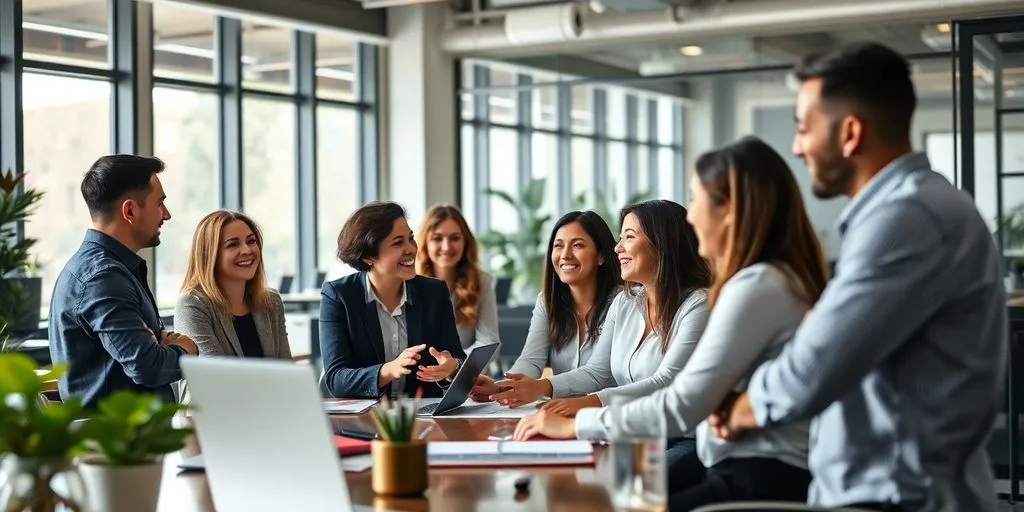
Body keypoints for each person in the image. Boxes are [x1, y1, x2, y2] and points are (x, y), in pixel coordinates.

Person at [710, 42, 1006, 511]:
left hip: (899, 499)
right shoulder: (908, 210)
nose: (796, 147)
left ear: (850, 133)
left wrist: (742, 408)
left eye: (804, 128)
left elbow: (812, 367)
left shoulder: (907, 218)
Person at [517, 137, 829, 509]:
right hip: (742, 466)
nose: (691, 218)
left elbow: (680, 402)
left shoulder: (754, 288)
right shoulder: (767, 282)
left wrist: (575, 424)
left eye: (696, 201)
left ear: (729, 210)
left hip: (755, 477)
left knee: (609, 500)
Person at [505, 201, 712, 459]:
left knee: (623, 488)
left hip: (681, 438)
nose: (618, 247)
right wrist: (542, 389)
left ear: (662, 244)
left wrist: (587, 403)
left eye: (629, 237)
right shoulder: (626, 301)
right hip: (629, 432)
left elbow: (666, 381)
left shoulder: (700, 305)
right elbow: (599, 372)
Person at [49, 155, 197, 408]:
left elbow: (150, 359)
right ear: (129, 211)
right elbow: (149, 367)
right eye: (160, 203)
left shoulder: (111, 270)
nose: (167, 215)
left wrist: (160, 351)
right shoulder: (104, 278)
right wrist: (186, 350)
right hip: (120, 441)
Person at [319, 201, 467, 399]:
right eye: (398, 242)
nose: (412, 249)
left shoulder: (434, 292)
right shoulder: (338, 296)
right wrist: (388, 370)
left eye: (410, 239)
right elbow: (336, 379)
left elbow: (457, 357)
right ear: (369, 256)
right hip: (365, 420)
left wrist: (451, 368)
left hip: (423, 416)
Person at [469, 210, 622, 400]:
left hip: (609, 415)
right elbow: (531, 360)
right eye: (558, 246)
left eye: (578, 245)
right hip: (560, 415)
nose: (565, 255)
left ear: (601, 256)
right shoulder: (547, 301)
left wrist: (542, 387)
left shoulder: (622, 302)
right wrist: (503, 388)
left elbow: (600, 373)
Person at [174, 210, 292, 360]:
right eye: (233, 245)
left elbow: (286, 369)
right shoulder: (193, 305)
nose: (247, 250)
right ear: (210, 255)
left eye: (251, 241)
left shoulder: (271, 301)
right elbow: (213, 376)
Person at [415, 204, 499, 354]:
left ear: (465, 242)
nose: (446, 247)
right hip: (422, 373)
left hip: (468, 375)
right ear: (425, 243)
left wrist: (455, 366)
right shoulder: (408, 283)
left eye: (455, 238)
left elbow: (488, 343)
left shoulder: (482, 281)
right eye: (437, 238)